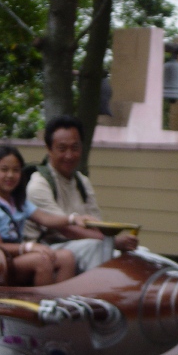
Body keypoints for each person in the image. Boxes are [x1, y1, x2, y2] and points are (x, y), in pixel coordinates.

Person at [24, 115, 138, 272]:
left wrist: (120, 242)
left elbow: (96, 224)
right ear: (49, 149)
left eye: (75, 148)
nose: (69, 155)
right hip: (46, 248)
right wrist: (113, 242)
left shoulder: (82, 181)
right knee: (96, 248)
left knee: (139, 253)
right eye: (62, 149)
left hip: (80, 244)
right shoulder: (38, 185)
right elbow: (66, 229)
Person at [0, 145, 90, 286]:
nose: (10, 175)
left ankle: (62, 298)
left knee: (67, 257)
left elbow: (45, 219)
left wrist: (73, 219)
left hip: (15, 258)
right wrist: (28, 247)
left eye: (16, 170)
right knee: (42, 260)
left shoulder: (18, 202)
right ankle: (42, 299)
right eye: (4, 170)